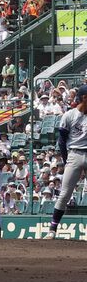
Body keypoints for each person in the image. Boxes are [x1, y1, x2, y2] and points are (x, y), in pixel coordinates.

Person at [48, 84, 87, 238]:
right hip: (74, 154)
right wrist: (66, 160)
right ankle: (52, 229)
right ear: (84, 98)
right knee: (65, 194)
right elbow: (62, 141)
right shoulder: (69, 115)